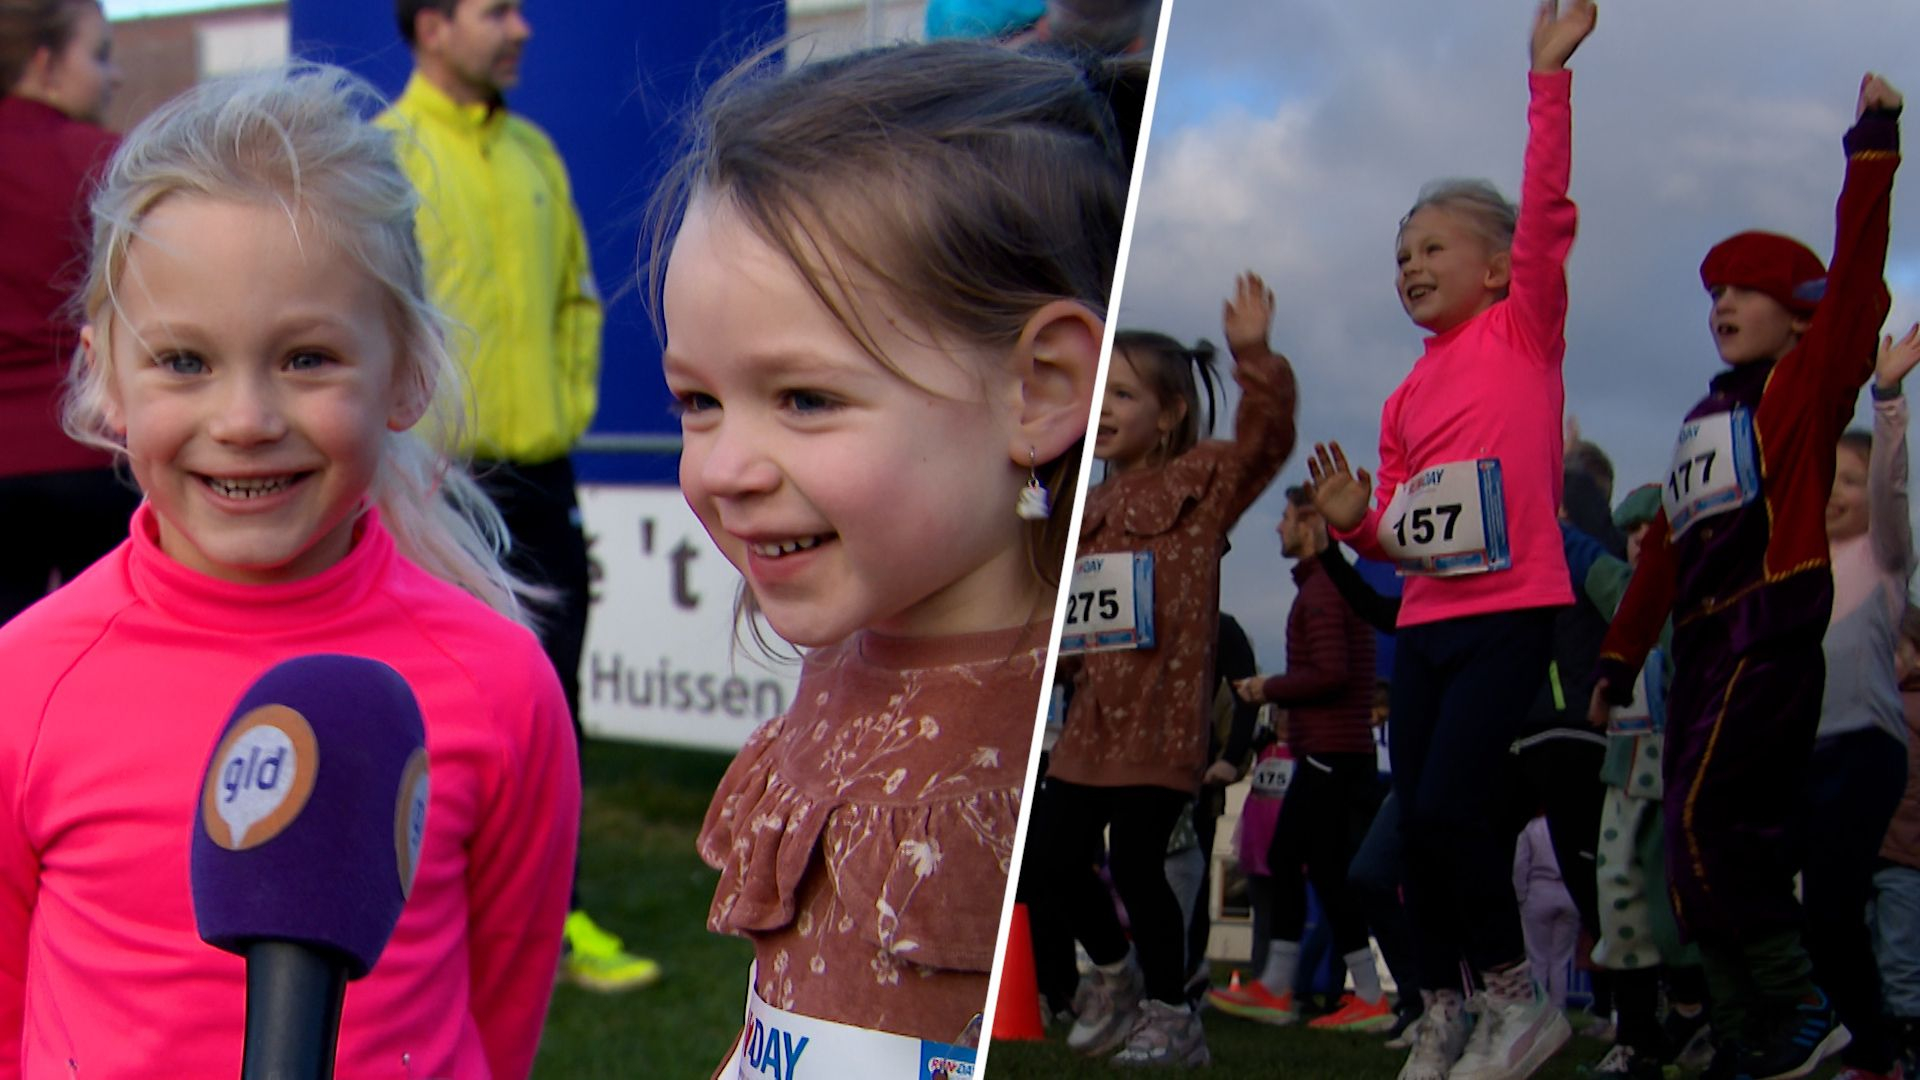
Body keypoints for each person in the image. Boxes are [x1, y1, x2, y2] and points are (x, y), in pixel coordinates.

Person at [0, 65, 578, 1078]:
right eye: (184, 362)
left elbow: (502, 1000)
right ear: (106, 377)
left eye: (307, 358)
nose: (245, 420)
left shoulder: (499, 683)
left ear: (406, 371)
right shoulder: (26, 681)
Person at [652, 39, 1133, 1069]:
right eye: (698, 400)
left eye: (804, 398)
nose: (725, 467)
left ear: (1042, 389)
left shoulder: (1029, 739)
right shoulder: (843, 655)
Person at [1591, 73, 1904, 1080]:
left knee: (1714, 829)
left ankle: (1805, 1005)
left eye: (1746, 289)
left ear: (1801, 318)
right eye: (1715, 292)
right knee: (1686, 858)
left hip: (1767, 636)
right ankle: (1744, 1033)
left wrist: (1872, 145)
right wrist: (1619, 657)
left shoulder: (1804, 392)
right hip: (1700, 650)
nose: (1722, 303)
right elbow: (1667, 553)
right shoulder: (1702, 419)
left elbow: (1856, 279)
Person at [1306, 4, 1596, 1078]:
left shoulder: (1525, 330)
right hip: (1427, 626)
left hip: (1511, 611)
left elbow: (1548, 211)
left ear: (1499, 268)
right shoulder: (1403, 399)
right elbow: (1398, 538)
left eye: (1433, 247)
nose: (1411, 266)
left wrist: (1546, 79)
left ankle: (1520, 999)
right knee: (1417, 828)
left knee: (1451, 807)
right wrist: (1357, 521)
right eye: (1400, 256)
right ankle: (1444, 1006)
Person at [377, 0, 651, 992]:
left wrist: (562, 410)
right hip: (428, 482)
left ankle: (554, 919)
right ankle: (411, 919)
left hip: (540, 475)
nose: (522, 27)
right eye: (496, 10)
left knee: (549, 694)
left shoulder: (536, 153)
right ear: (432, 25)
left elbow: (578, 297)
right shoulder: (383, 156)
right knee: (425, 703)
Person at [1042, 276, 1298, 1068]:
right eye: (1099, 395)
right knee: (1051, 854)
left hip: (1160, 716)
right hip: (1089, 720)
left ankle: (1172, 1015)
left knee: (1136, 863)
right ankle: (1114, 973)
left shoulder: (1202, 484)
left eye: (1123, 394)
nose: (1105, 410)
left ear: (1171, 412)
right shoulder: (1082, 506)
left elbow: (1266, 439)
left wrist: (1255, 356)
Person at [1208, 485, 1387, 1033]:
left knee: (1288, 857)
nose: (1278, 527)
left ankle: (1280, 985)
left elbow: (1331, 674)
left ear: (1310, 525)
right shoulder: (1324, 587)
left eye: (1286, 517)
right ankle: (1368, 995)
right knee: (1327, 872)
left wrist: (1269, 687)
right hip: (1336, 748)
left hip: (1330, 750)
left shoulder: (1323, 593)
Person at [1800, 326, 1918, 1080]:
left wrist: (1887, 397)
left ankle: (1879, 1052)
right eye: (1829, 480)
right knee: (1812, 914)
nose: (1837, 493)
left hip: (1865, 746)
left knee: (1834, 908)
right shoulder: (1801, 565)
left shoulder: (1882, 556)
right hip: (1803, 752)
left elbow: (1889, 489)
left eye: (1850, 481)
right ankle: (1854, 1045)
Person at [0, 0, 139, 623]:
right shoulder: (110, 162)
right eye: (100, 55)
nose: (115, 76)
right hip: (97, 451)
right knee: (110, 643)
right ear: (45, 64)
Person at [1874, 603, 1920, 1080]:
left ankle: (1908, 1051)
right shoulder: (1870, 707)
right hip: (1868, 853)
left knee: (1900, 962)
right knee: (1873, 957)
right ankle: (1879, 1054)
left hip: (1906, 858)